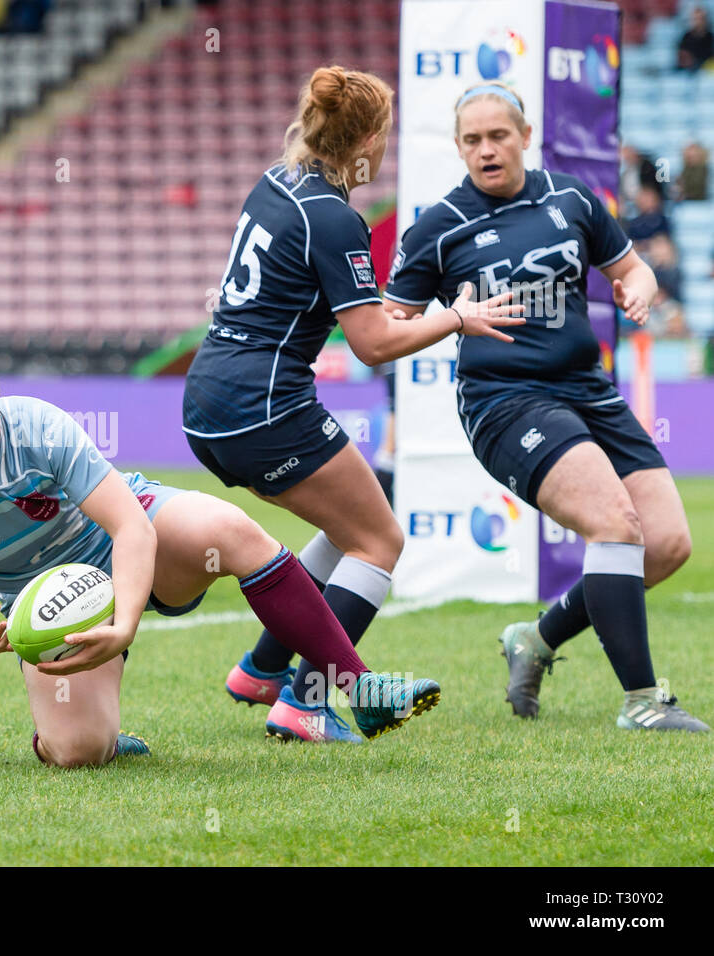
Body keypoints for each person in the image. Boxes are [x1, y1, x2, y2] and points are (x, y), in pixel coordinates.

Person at [181, 66, 521, 742]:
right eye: (383, 138)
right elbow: (371, 343)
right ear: (365, 139)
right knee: (380, 539)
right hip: (265, 406)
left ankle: (262, 667)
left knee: (346, 526)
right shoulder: (335, 217)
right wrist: (455, 318)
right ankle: (305, 705)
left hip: (207, 401)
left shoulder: (276, 181)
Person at [0, 359, 444, 765]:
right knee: (78, 753)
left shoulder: (36, 427)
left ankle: (358, 686)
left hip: (130, 536)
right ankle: (101, 733)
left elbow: (129, 525)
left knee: (226, 530)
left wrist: (122, 622)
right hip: (53, 606)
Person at [383, 82, 705, 732]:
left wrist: (637, 292)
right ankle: (642, 701)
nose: (486, 150)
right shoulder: (439, 226)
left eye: (497, 136)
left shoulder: (572, 198)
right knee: (615, 522)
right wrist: (452, 318)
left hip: (588, 389)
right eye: (471, 141)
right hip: (506, 404)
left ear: (525, 137)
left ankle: (535, 638)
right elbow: (385, 329)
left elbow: (632, 268)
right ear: (457, 149)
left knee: (666, 544)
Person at [677, 5, 713, 72]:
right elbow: (681, 59)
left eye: (701, 18)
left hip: (708, 73)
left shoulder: (711, 37)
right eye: (696, 19)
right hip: (689, 73)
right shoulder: (686, 37)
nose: (699, 22)